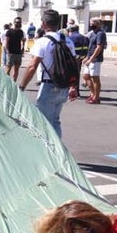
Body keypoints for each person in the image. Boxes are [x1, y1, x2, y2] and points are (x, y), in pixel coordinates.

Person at [18, 8, 78, 139]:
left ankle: (48, 150)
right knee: (55, 120)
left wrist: (22, 86)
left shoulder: (42, 42)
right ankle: (57, 148)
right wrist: (73, 86)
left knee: (43, 122)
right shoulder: (68, 41)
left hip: (49, 85)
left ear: (44, 24)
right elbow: (74, 65)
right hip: (63, 86)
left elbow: (32, 66)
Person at [82, 17, 107, 104]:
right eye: (90, 23)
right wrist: (87, 57)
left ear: (98, 24)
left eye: (93, 23)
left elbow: (99, 47)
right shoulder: (92, 33)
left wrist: (91, 59)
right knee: (86, 76)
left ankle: (96, 97)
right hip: (90, 58)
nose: (91, 24)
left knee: (94, 78)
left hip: (96, 59)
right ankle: (92, 93)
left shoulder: (100, 34)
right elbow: (90, 47)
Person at [3, 17, 26, 81]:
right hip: (11, 53)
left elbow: (22, 40)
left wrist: (23, 48)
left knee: (16, 69)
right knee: (8, 68)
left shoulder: (21, 32)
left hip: (18, 53)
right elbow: (6, 41)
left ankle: (14, 83)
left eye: (19, 22)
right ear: (14, 22)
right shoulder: (9, 31)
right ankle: (6, 82)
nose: (18, 23)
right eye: (17, 22)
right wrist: (7, 51)